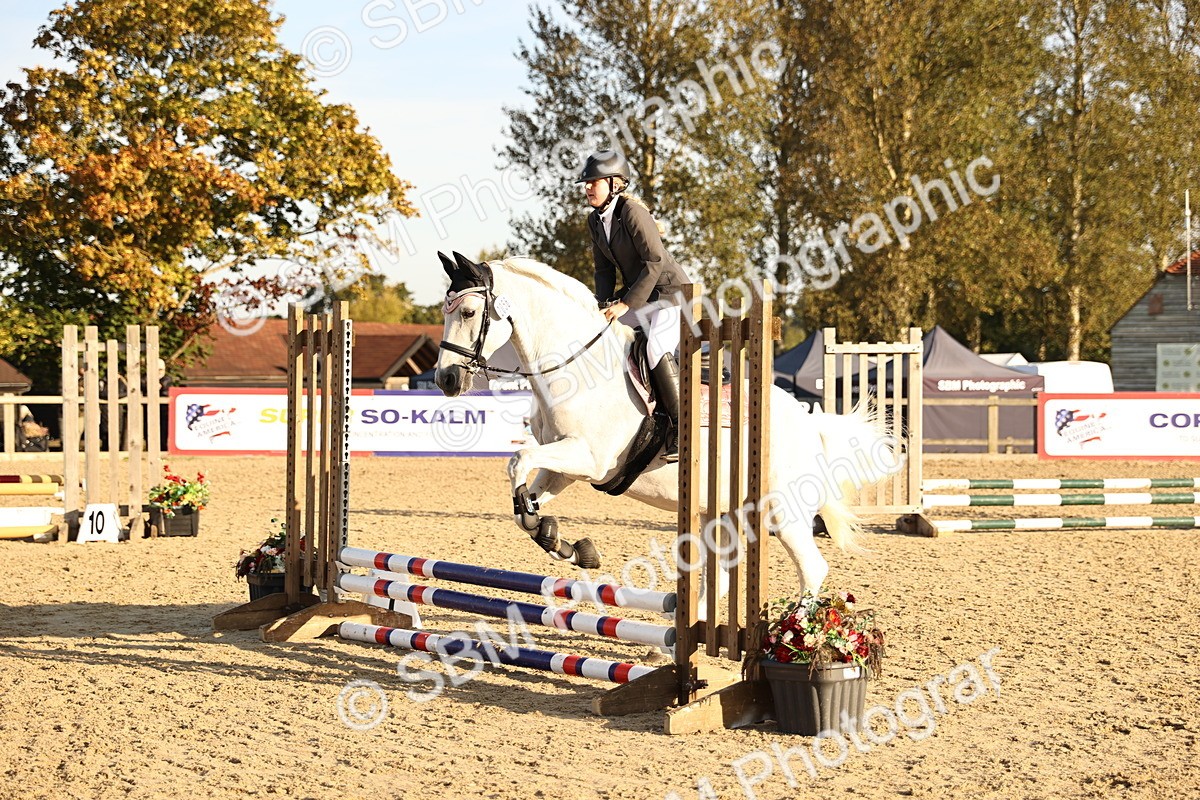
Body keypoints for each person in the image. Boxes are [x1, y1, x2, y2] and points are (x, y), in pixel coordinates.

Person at [577, 149, 689, 461]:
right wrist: (601, 307)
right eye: (585, 183)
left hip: (669, 295)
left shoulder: (632, 213)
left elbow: (654, 262)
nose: (587, 188)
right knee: (600, 338)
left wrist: (625, 304)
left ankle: (681, 429)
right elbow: (603, 270)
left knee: (654, 349)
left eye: (593, 182)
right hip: (640, 298)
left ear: (615, 184)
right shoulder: (595, 221)